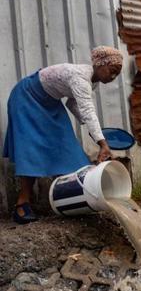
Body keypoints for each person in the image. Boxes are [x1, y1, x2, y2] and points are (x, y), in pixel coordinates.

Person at [3, 46, 123, 224]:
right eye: (112, 71)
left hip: (49, 101)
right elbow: (87, 110)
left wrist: (94, 133)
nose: (113, 77)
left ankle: (73, 199)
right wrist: (102, 142)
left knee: (66, 145)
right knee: (31, 149)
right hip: (27, 96)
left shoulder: (92, 81)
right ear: (99, 64)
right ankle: (22, 204)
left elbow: (73, 105)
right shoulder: (80, 78)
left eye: (116, 75)